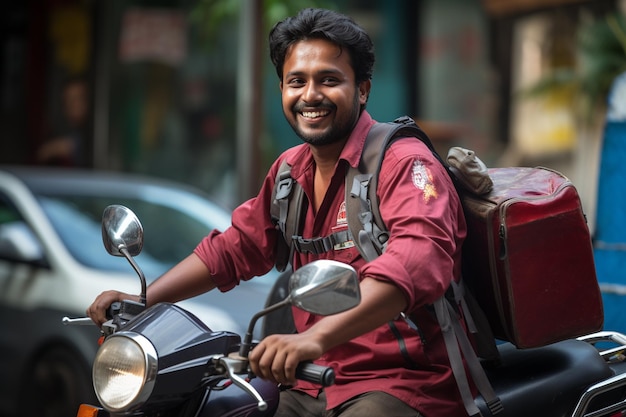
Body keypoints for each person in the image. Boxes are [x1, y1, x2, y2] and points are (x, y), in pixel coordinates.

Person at [87, 8, 468, 417]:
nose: (310, 95)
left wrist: (313, 339)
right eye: (296, 81)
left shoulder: (405, 164)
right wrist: (144, 300)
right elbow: (233, 248)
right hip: (310, 379)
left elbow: (416, 262)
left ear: (362, 90)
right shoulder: (289, 171)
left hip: (402, 384)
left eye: (329, 80)